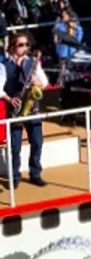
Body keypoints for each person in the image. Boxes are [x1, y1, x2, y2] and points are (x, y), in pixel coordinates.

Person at [1, 33, 49, 188]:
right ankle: (14, 176)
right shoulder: (3, 64)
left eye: (27, 45)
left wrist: (39, 82)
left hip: (32, 107)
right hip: (15, 107)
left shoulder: (33, 63)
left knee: (37, 142)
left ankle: (35, 173)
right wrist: (9, 98)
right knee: (15, 146)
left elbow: (45, 82)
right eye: (21, 45)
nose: (25, 48)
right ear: (13, 46)